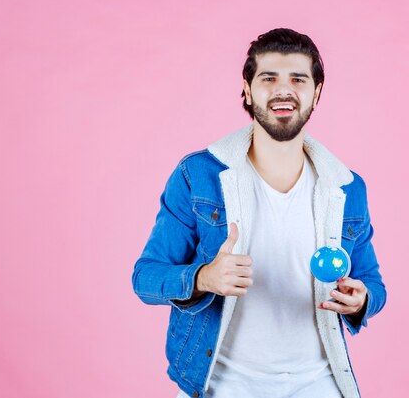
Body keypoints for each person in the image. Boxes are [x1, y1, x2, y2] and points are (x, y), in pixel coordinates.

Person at [132, 28, 387, 398]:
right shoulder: (199, 175)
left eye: (298, 79)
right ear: (248, 90)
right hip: (222, 385)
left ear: (316, 93)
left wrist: (360, 299)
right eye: (269, 78)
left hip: (318, 385)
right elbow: (145, 278)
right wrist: (204, 277)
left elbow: (372, 283)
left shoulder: (346, 188)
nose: (284, 90)